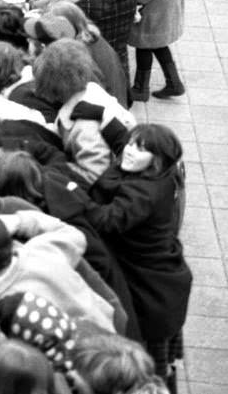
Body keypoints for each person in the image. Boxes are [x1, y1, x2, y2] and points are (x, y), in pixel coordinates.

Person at [80, 124, 192, 392]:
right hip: (165, 283)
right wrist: (107, 120)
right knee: (162, 358)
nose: (129, 151)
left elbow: (106, 220)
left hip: (149, 290)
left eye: (141, 150)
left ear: (157, 159)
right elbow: (125, 145)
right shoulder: (163, 177)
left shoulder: (141, 193)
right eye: (130, 144)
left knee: (149, 365)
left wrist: (72, 192)